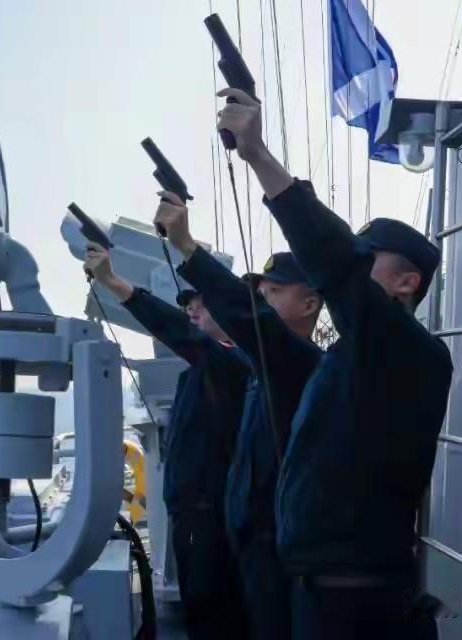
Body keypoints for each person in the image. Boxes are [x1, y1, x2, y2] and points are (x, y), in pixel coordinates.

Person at [216, 88, 453, 639]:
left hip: (356, 607)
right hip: (319, 593)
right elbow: (261, 325)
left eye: (369, 258)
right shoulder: (346, 357)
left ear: (407, 282)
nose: (352, 267)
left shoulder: (411, 351)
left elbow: (336, 263)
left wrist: (259, 158)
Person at [156, 194, 323, 640]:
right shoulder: (256, 366)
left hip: (273, 546)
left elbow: (194, 337)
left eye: (274, 293)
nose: (262, 300)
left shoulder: (301, 364)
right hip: (247, 539)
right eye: (261, 294)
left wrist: (186, 246)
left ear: (309, 304)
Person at [84, 242, 250, 640]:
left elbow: (183, 336)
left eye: (202, 304)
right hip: (189, 513)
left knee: (215, 610)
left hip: (211, 516)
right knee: (198, 605)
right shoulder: (197, 372)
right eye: (189, 304)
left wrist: (115, 284)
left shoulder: (235, 363)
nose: (192, 310)